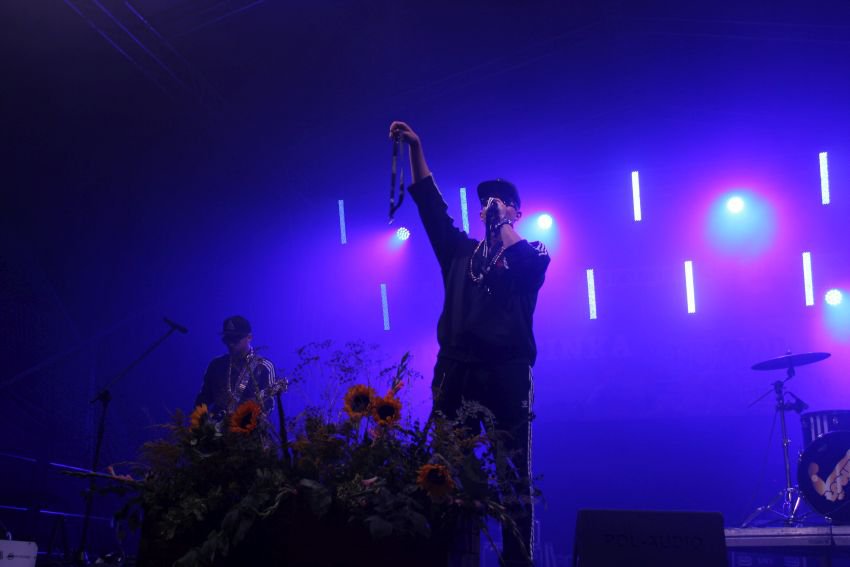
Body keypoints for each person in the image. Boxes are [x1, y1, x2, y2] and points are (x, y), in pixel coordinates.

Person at [388, 121, 550, 566]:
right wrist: (417, 147)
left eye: (500, 201)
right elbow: (430, 206)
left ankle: (517, 562)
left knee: (512, 474)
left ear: (517, 211)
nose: (490, 206)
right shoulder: (460, 253)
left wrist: (504, 224)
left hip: (506, 373)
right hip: (457, 370)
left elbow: (526, 267)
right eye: (485, 202)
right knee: (443, 469)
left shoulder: (532, 251)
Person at [194, 315, 277, 415]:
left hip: (249, 423)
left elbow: (269, 403)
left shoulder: (264, 367)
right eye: (227, 339)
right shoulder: (216, 364)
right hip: (216, 423)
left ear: (249, 337)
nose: (231, 343)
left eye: (235, 339)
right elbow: (203, 398)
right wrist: (201, 421)